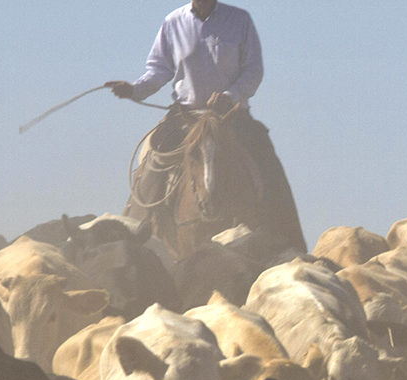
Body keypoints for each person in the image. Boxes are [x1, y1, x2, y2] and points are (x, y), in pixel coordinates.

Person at [106, 0, 305, 254]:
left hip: (231, 117)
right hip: (185, 116)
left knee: (267, 163)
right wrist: (134, 89)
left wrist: (230, 95)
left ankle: (290, 241)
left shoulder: (240, 20)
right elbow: (158, 70)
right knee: (153, 163)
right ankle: (136, 242)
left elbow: (253, 70)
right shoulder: (173, 22)